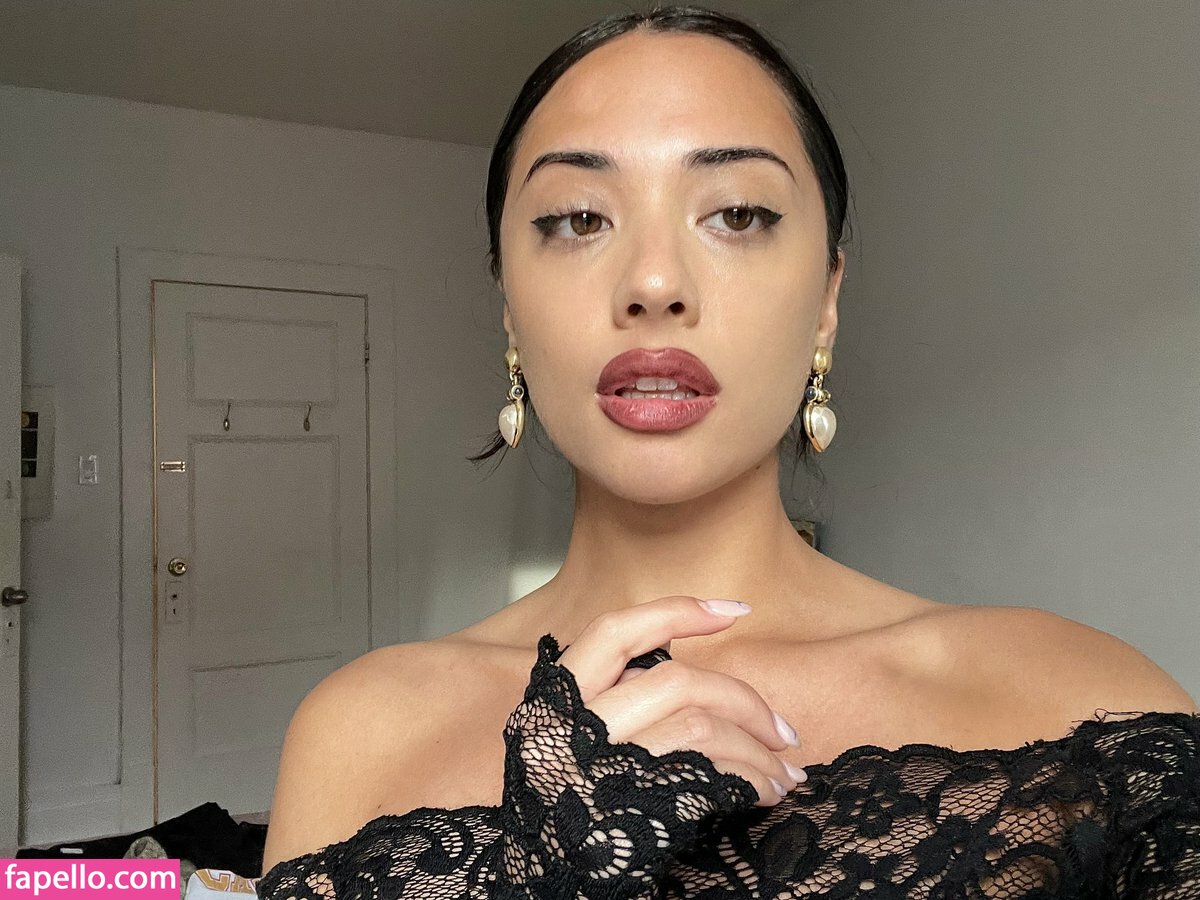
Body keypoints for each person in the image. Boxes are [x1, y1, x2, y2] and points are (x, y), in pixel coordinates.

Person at [256, 7, 1200, 897]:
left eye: (738, 213)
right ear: (509, 308)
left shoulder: (1083, 703)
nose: (653, 281)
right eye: (578, 218)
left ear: (826, 298)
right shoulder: (359, 731)